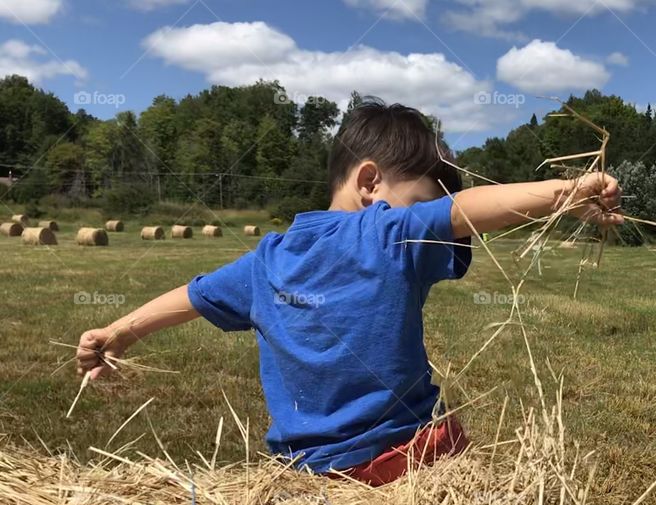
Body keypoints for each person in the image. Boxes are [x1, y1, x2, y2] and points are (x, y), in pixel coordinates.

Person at [75, 99, 622, 485]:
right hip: (410, 457)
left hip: (309, 474)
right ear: (370, 184)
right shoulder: (387, 230)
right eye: (419, 201)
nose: (426, 220)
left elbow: (191, 297)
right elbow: (469, 208)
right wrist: (566, 192)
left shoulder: (266, 260)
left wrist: (119, 332)